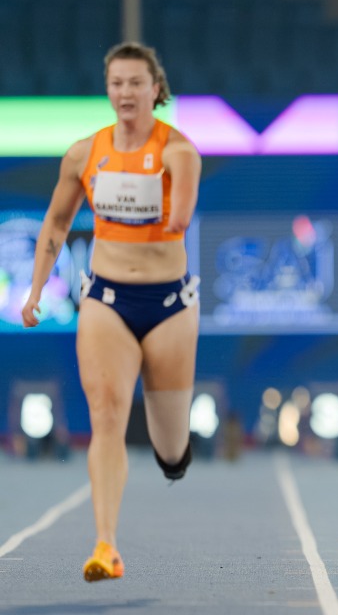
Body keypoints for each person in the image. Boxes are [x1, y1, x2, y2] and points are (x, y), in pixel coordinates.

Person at [21, 42, 201, 582]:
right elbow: (55, 224)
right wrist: (34, 292)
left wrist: (165, 212)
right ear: (109, 90)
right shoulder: (83, 154)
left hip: (169, 305)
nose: (125, 92)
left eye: (135, 83)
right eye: (116, 83)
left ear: (155, 89)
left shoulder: (179, 152)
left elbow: (183, 214)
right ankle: (106, 545)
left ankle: (174, 457)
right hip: (106, 299)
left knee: (170, 448)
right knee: (106, 416)